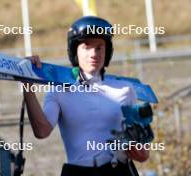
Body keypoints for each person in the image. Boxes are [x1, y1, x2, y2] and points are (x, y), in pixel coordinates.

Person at [23, 16, 149, 176]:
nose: (93, 53)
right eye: (86, 47)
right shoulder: (59, 90)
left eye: (99, 47)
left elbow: (143, 150)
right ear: (75, 50)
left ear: (108, 51)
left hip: (119, 171)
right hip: (77, 172)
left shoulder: (125, 89)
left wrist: (141, 152)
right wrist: (27, 87)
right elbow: (41, 131)